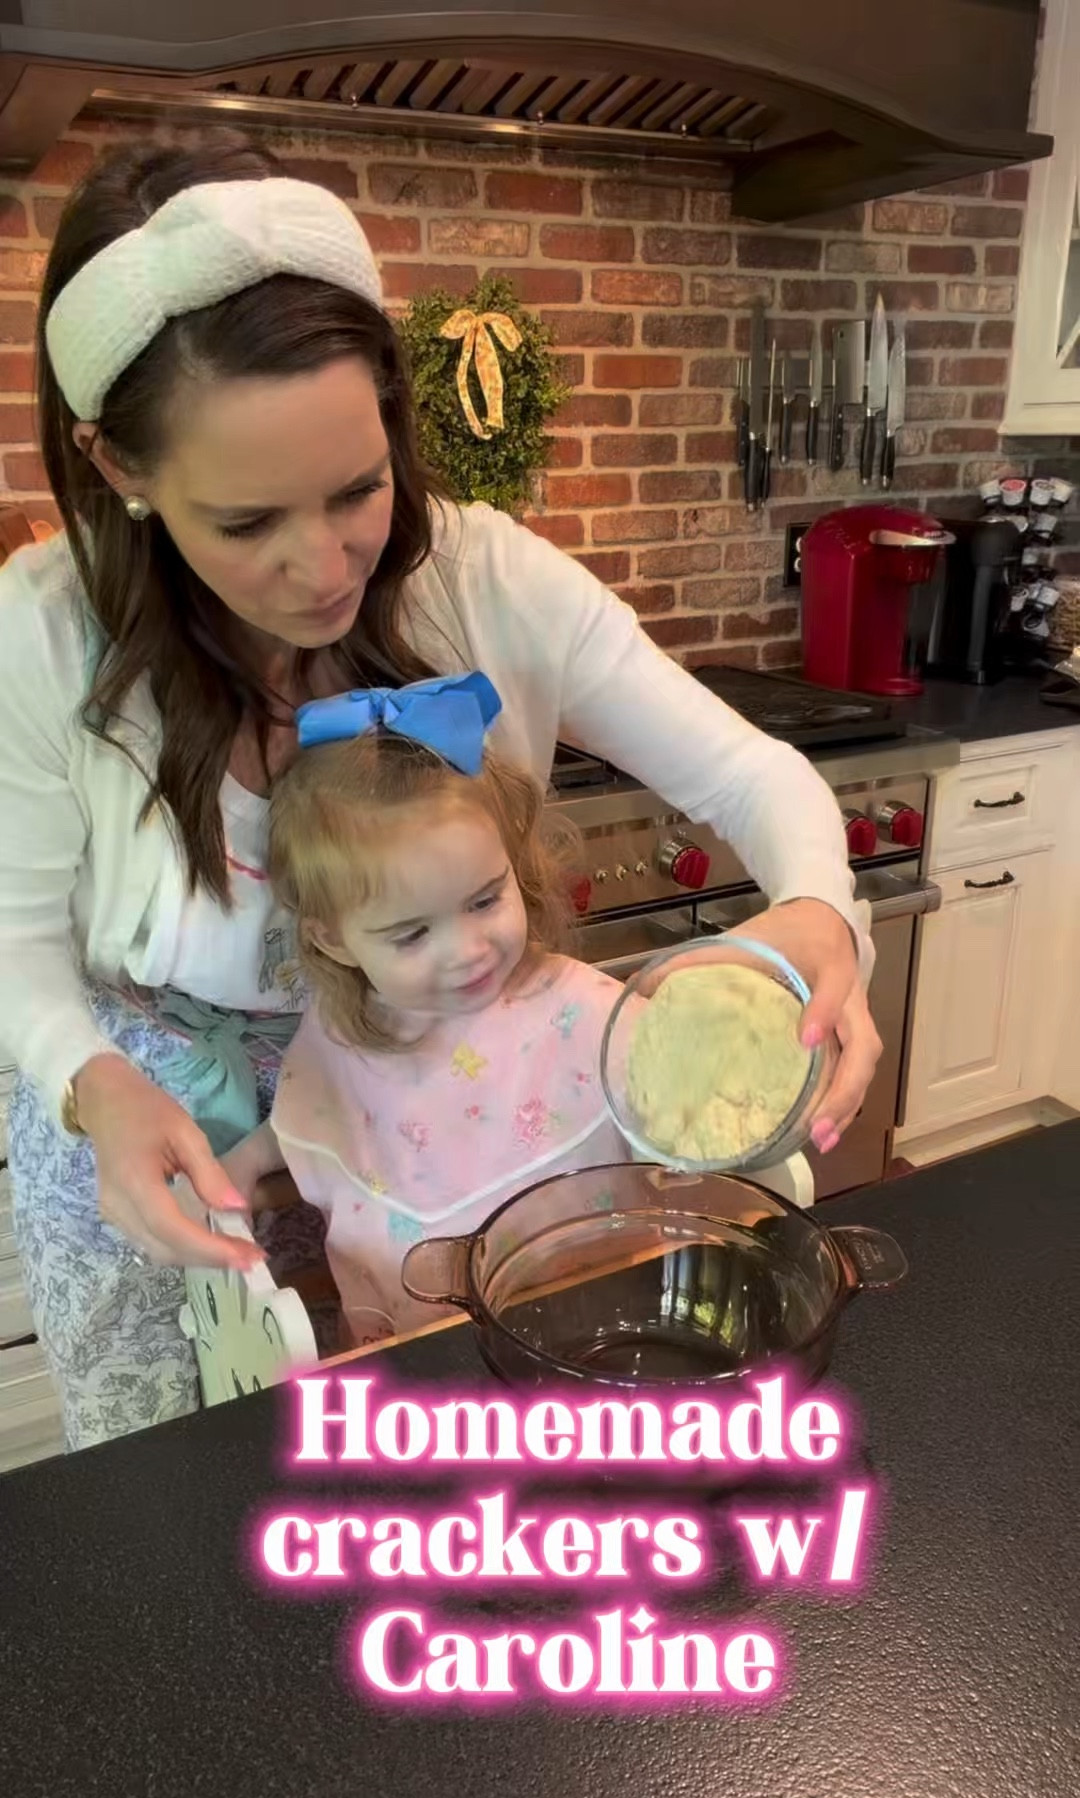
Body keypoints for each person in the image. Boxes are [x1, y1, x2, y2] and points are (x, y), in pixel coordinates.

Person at [0, 133, 879, 1450]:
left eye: (357, 489)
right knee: (171, 1507)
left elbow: (759, 779)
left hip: (447, 1132)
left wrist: (820, 915)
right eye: (247, 522)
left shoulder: (488, 578)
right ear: (120, 470)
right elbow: (14, 939)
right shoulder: (41, 638)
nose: (320, 565)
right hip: (162, 1150)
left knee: (450, 1457)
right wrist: (93, 1084)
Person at [221, 669, 630, 1343]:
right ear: (334, 938)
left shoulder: (573, 1004)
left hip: (592, 1338)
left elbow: (666, 1076)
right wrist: (245, 1163)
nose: (467, 949)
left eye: (485, 900)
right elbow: (319, 1110)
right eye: (412, 934)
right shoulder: (344, 1035)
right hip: (424, 1366)